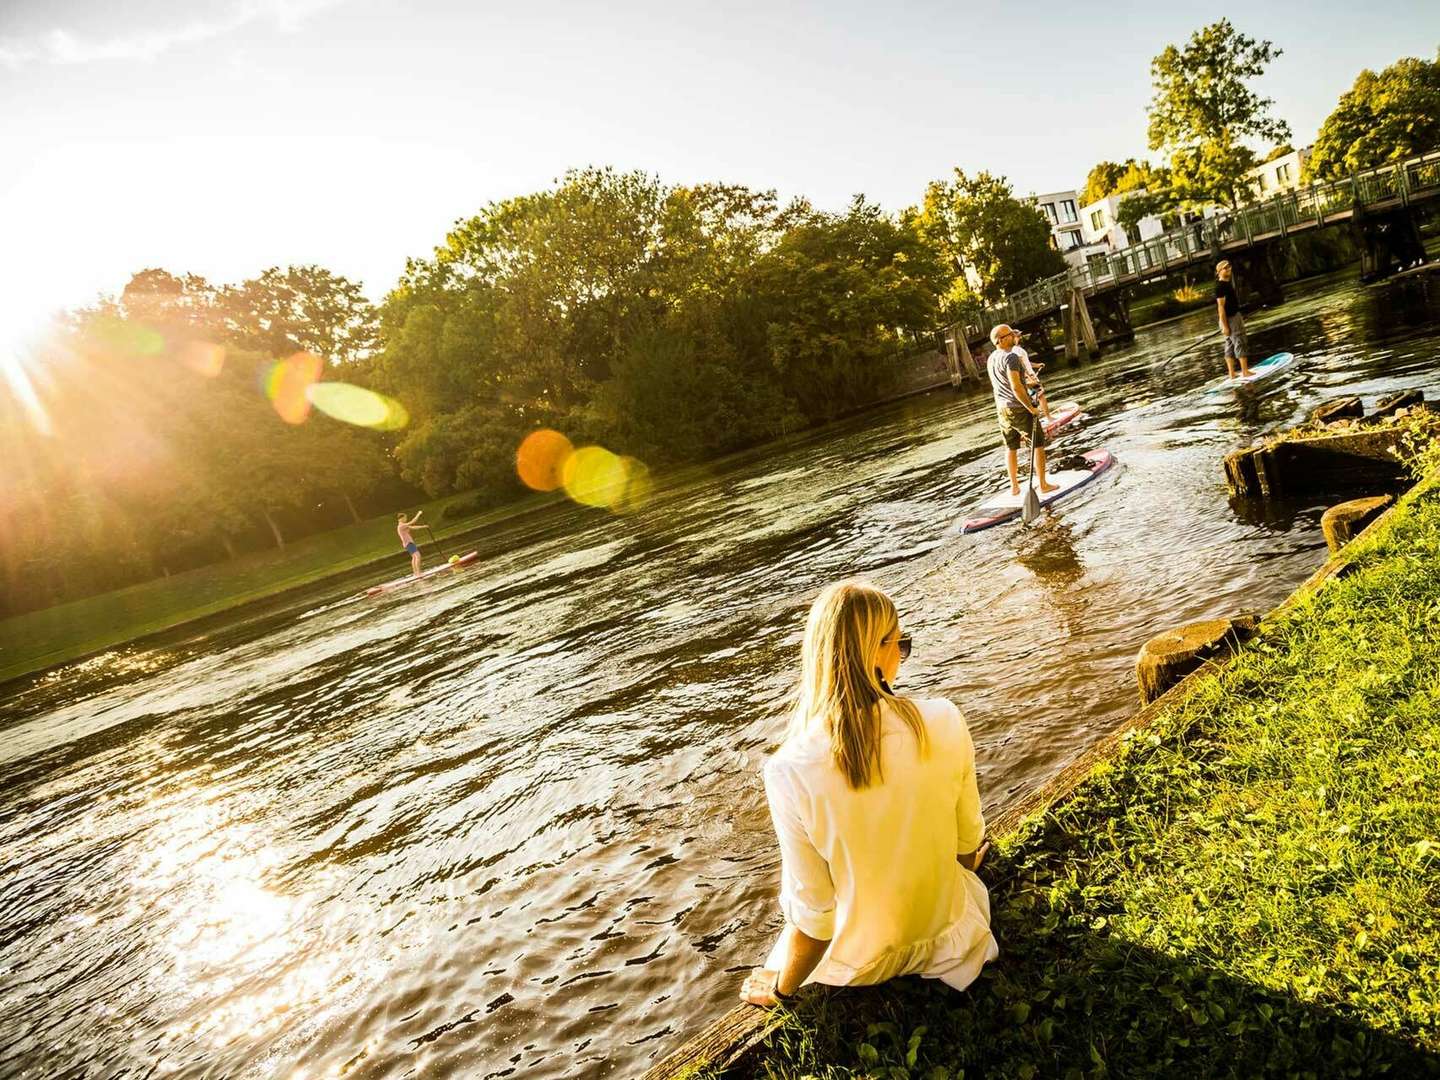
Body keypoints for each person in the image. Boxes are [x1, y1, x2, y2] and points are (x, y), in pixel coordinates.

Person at [740, 581, 997, 1008]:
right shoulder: (944, 719)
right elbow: (968, 845)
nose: (901, 655)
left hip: (859, 964)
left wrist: (783, 990)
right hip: (948, 936)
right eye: (901, 643)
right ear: (877, 651)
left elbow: (816, 918)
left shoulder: (789, 769)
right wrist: (966, 864)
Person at [989, 324, 1057, 497]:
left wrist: (1029, 384)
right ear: (1001, 340)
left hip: (1002, 410)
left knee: (1010, 447)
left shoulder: (992, 359)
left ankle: (1014, 487)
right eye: (1010, 334)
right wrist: (1032, 409)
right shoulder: (1011, 357)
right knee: (1038, 444)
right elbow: (1015, 387)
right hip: (1018, 408)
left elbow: (1005, 383)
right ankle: (1043, 484)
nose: (1014, 336)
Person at [1215, 260, 1252, 381]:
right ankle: (1245, 372)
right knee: (1239, 341)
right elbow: (1221, 307)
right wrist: (1225, 326)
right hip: (1229, 318)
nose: (1228, 269)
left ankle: (1232, 374)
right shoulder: (1220, 286)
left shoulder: (1226, 284)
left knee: (1230, 344)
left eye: (1229, 267)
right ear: (1219, 272)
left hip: (1232, 317)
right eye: (1225, 268)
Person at [1010, 331, 1052, 421]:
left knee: (1033, 399)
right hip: (1029, 376)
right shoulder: (1016, 350)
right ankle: (1049, 418)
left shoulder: (1016, 349)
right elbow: (1021, 365)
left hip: (1027, 376)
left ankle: (1038, 420)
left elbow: (1026, 362)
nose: (1019, 337)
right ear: (1013, 338)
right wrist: (1029, 377)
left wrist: (1037, 365)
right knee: (1041, 396)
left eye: (1020, 335)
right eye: (1017, 336)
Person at [397, 511, 424, 576]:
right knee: (418, 556)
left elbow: (413, 527)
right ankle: (418, 573)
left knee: (414, 557)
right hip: (408, 543)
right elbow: (413, 521)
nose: (406, 519)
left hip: (408, 544)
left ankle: (416, 573)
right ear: (401, 518)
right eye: (405, 518)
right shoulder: (401, 525)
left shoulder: (403, 525)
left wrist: (423, 526)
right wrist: (419, 514)